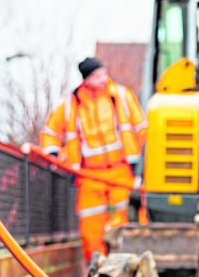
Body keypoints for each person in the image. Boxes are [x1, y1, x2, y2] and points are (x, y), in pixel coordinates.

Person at [40, 57, 147, 262]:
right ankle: (98, 269)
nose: (103, 79)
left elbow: (143, 129)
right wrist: (53, 153)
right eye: (98, 75)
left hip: (121, 170)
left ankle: (129, 266)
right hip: (89, 174)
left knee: (129, 220)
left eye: (104, 74)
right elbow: (50, 132)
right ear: (86, 80)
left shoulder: (122, 96)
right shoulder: (71, 105)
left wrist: (142, 165)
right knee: (90, 229)